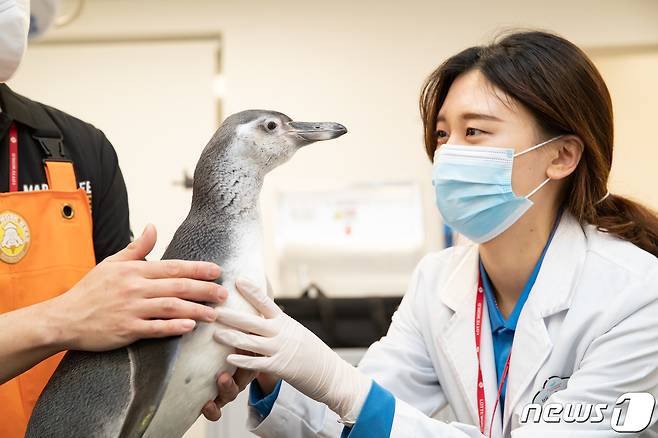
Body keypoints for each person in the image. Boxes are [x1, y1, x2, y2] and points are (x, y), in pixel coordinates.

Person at [213, 31, 658, 437]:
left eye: (475, 131)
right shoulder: (439, 281)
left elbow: (358, 400)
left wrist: (338, 380)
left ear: (561, 156)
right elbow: (346, 424)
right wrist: (272, 363)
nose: (447, 154)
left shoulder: (636, 296)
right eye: (443, 134)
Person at [0, 1, 246, 435]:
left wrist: (195, 362)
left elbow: (120, 326)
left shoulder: (75, 148)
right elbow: (84, 315)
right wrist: (63, 319)